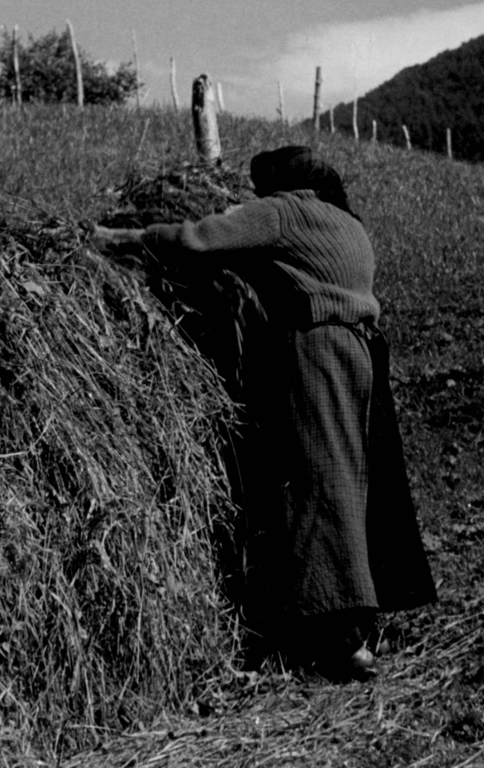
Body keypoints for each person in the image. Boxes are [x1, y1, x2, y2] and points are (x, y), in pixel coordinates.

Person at [92, 145, 436, 679]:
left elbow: (197, 240)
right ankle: (363, 623)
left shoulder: (283, 211)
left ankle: (338, 640)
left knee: (319, 485)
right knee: (356, 482)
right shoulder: (346, 223)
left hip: (319, 349)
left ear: (279, 181)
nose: (256, 194)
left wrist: (122, 240)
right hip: (363, 353)